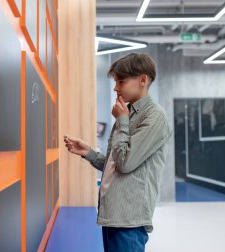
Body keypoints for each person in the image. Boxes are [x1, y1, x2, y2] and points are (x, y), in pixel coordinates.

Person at [63, 53, 173, 252]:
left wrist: (122, 121)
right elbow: (115, 165)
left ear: (142, 80)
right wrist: (88, 152)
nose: (116, 88)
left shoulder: (155, 117)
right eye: (115, 82)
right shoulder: (127, 113)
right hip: (112, 215)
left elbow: (126, 162)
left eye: (121, 81)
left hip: (129, 219)